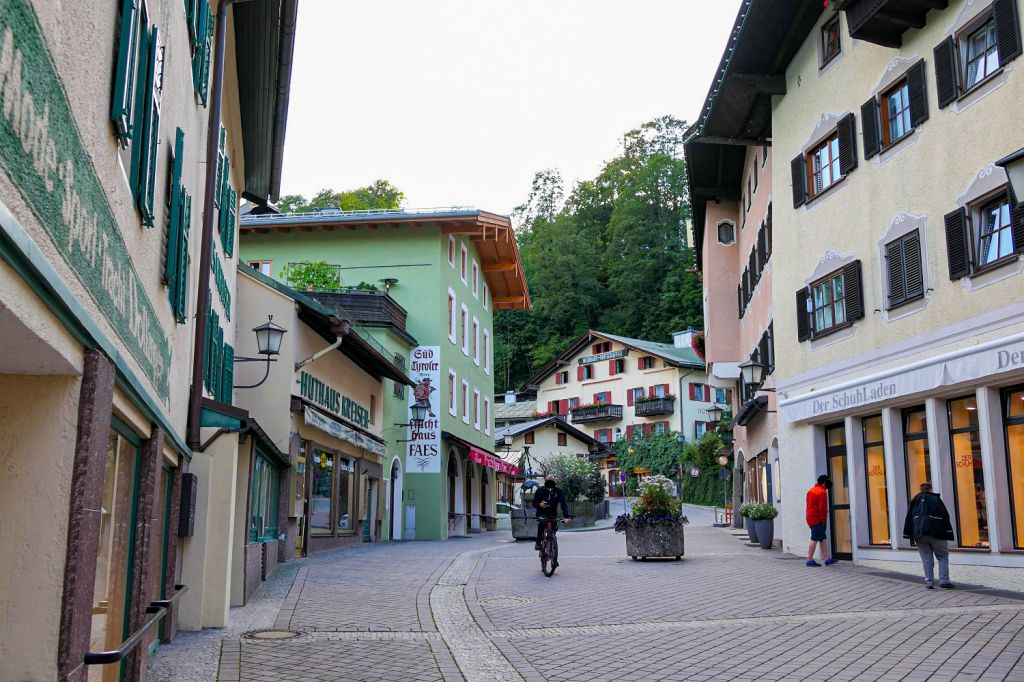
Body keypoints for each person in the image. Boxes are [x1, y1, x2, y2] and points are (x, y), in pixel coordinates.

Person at [903, 482, 955, 589]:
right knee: (942, 556)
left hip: (919, 534)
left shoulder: (915, 500)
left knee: (926, 558)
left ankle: (929, 582)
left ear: (920, 489)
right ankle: (944, 581)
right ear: (930, 489)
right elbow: (945, 516)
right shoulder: (936, 499)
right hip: (936, 532)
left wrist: (909, 534)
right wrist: (948, 532)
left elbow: (909, 518)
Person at [806, 475, 838, 567]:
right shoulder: (822, 492)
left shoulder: (811, 490)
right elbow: (822, 509)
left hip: (810, 517)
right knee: (814, 538)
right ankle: (810, 560)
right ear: (824, 482)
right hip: (817, 518)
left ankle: (827, 559)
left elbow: (811, 505)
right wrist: (823, 520)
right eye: (828, 480)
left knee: (822, 539)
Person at [532, 475, 571, 551]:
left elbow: (563, 504)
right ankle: (538, 542)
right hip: (541, 514)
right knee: (541, 525)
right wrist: (540, 505)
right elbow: (534, 503)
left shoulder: (558, 491)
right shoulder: (540, 490)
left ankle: (552, 549)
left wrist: (566, 517)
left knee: (553, 529)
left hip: (552, 514)